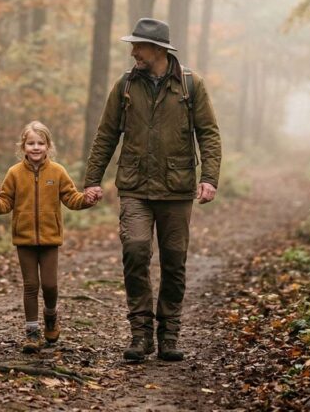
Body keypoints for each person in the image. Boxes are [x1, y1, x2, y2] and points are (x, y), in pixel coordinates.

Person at [83, 18, 222, 363]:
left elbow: (209, 134)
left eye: (138, 46)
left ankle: (169, 334)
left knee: (174, 262)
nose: (132, 52)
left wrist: (210, 178)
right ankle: (140, 333)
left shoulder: (191, 85)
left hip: (176, 189)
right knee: (135, 251)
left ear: (158, 49)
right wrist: (91, 179)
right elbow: (106, 134)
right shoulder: (126, 85)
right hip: (135, 187)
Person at [0, 121, 95, 353]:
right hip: (24, 239)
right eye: (31, 143)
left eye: (40, 143)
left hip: (49, 239)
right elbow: (6, 201)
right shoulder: (14, 173)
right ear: (23, 147)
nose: (35, 147)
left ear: (48, 146)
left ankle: (50, 315)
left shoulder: (57, 172)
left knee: (49, 284)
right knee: (30, 285)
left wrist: (86, 200)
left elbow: (71, 198)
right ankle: (32, 332)